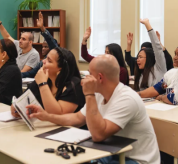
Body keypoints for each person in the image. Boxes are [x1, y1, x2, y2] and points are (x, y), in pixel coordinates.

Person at [26, 55, 160, 164]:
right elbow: (77, 118)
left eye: (90, 74)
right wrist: (46, 116)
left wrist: (89, 95)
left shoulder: (126, 98)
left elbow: (98, 135)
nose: (85, 77)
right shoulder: (99, 93)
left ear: (100, 78)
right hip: (114, 152)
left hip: (137, 160)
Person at [12, 47, 85, 116]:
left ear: (60, 69)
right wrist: (16, 108)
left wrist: (42, 84)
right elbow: (21, 102)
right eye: (45, 58)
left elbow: (57, 115)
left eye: (49, 61)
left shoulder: (75, 85)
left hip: (68, 128)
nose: (43, 61)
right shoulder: (44, 79)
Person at [22, 12, 59, 78]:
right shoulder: (43, 61)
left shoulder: (57, 57)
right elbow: (31, 73)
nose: (43, 49)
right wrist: (15, 74)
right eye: (42, 47)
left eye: (46, 47)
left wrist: (42, 28)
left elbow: (53, 46)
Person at [134, 18, 167, 91]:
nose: (137, 60)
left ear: (148, 58)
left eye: (140, 57)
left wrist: (147, 25)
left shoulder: (159, 68)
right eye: (137, 57)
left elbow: (157, 47)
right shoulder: (141, 74)